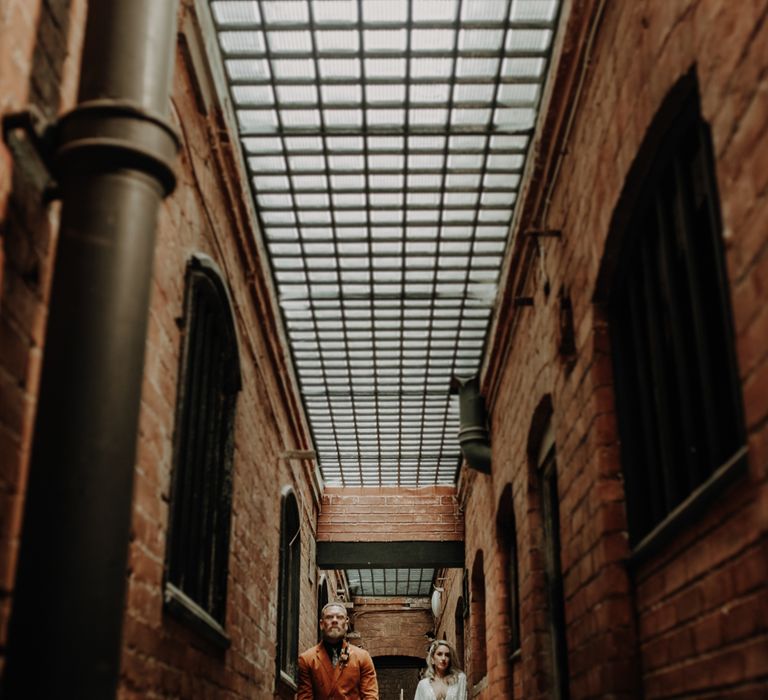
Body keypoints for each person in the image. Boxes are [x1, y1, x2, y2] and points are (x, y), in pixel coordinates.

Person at [296, 601, 379, 699]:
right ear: (321, 624)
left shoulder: (362, 657)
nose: (334, 621)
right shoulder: (307, 659)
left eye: (339, 617)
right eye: (329, 617)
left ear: (346, 624)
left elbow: (370, 696)